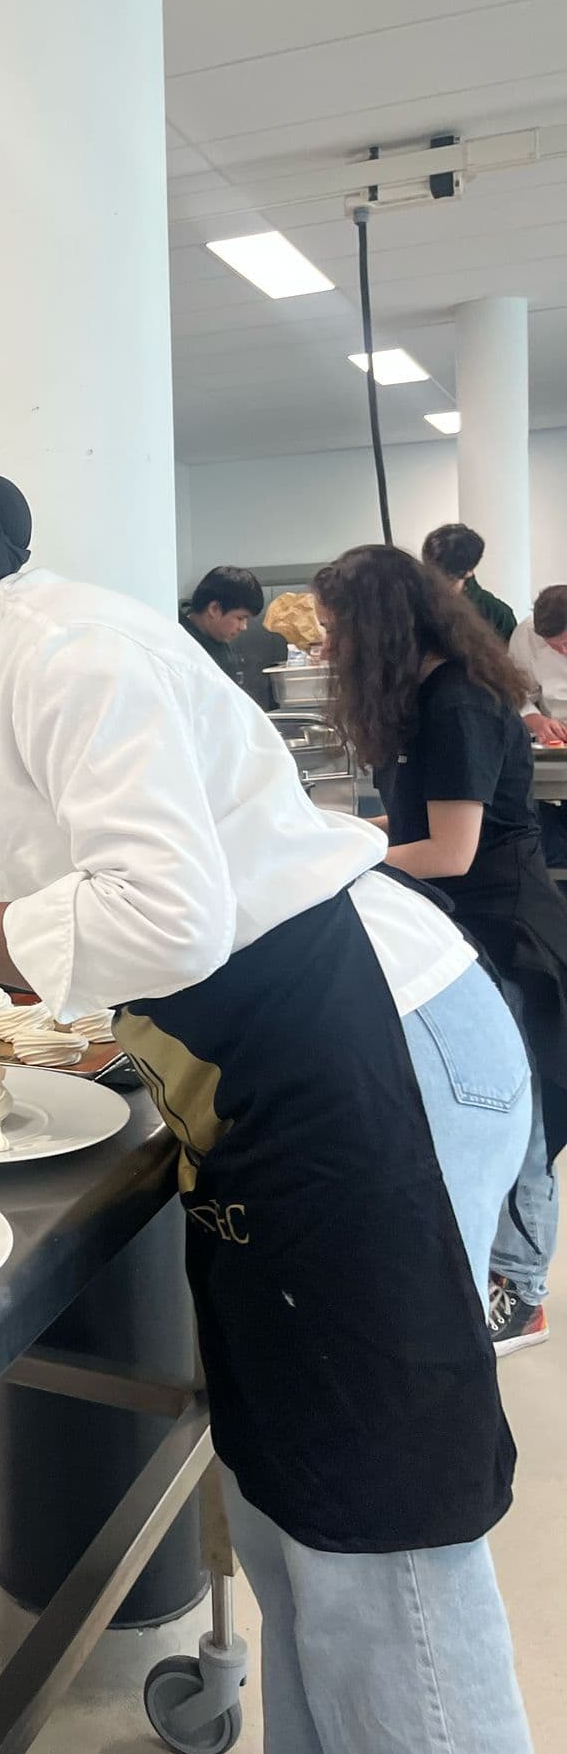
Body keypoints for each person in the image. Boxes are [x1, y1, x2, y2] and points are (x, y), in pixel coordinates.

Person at [0, 459, 537, 1754]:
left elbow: (166, 917)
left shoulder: (72, 654)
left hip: (376, 1048)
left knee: (375, 1530)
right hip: (285, 1063)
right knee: (288, 1506)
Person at [315, 546, 567, 1359]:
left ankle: (522, 1292)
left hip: (506, 932)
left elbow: (451, 851)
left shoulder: (458, 701)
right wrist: (343, 834)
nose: (326, 650)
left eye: (334, 631)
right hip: (458, 925)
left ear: (378, 626)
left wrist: (333, 861)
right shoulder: (422, 695)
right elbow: (416, 827)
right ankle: (478, 1267)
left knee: (517, 1116)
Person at [510, 585, 567, 868]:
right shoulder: (525, 635)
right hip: (552, 741)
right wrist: (537, 720)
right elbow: (516, 692)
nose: (563, 651)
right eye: (554, 645)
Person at [421, 522, 518, 640]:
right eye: (431, 574)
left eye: (447, 577)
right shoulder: (410, 604)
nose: (438, 584)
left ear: (469, 571)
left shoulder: (497, 614)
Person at [178, 565, 265, 688]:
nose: (244, 627)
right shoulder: (178, 643)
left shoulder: (221, 646)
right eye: (240, 618)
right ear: (214, 609)